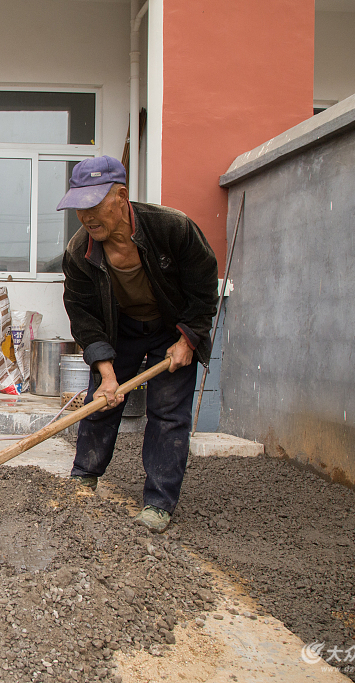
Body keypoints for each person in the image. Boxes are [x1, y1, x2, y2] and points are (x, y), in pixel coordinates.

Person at [57, 155, 218, 533]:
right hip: (121, 327)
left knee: (167, 413)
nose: (87, 217)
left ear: (121, 196)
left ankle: (159, 503)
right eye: (80, 208)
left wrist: (188, 340)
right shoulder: (79, 252)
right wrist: (106, 372)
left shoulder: (172, 228)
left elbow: (203, 285)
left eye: (95, 205)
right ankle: (84, 478)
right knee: (102, 402)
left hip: (171, 325)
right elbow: (83, 315)